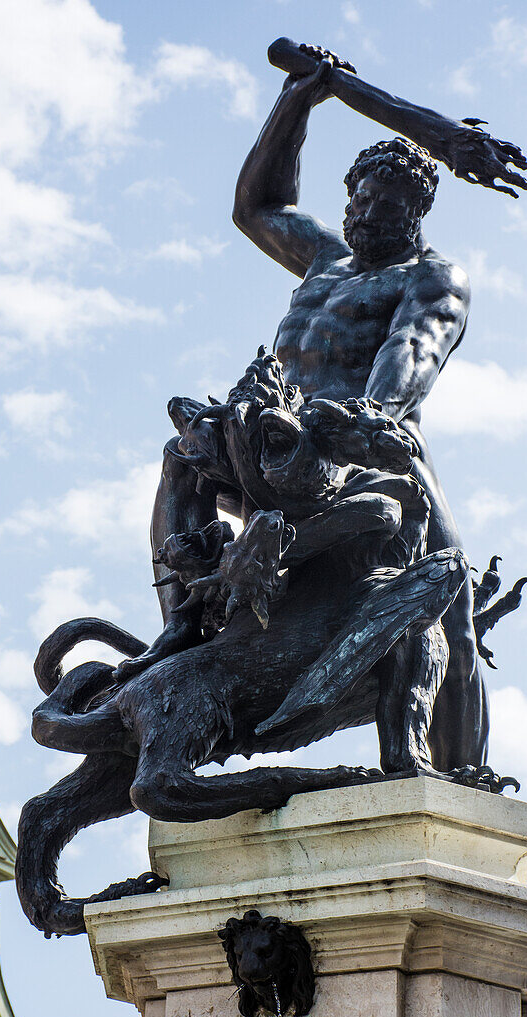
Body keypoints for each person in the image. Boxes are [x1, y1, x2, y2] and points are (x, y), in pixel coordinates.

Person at [119, 49, 485, 772]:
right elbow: (257, 206)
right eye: (355, 202)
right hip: (275, 438)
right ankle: (180, 621)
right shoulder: (324, 259)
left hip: (367, 444)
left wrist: (372, 415)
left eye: (382, 208)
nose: (362, 216)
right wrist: (299, 99)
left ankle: (463, 772)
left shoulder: (432, 275)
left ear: (414, 211)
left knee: (453, 602)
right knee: (183, 453)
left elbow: (412, 352)